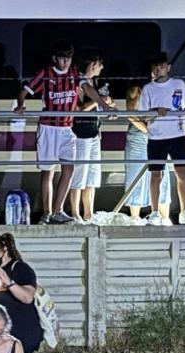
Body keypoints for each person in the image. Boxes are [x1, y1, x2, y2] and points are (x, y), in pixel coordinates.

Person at [15, 40, 113, 225]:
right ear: (55, 58)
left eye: (68, 58)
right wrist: (21, 105)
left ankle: (58, 210)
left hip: (67, 129)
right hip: (48, 128)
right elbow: (23, 91)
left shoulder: (75, 73)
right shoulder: (46, 74)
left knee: (69, 169)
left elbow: (88, 88)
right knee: (48, 172)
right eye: (62, 58)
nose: (66, 62)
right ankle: (47, 212)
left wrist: (104, 105)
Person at [139, 52, 185, 227]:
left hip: (177, 135)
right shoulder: (147, 89)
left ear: (168, 67)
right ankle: (154, 213)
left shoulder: (179, 84)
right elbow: (144, 116)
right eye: (156, 66)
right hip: (156, 137)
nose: (159, 69)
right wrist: (155, 112)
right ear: (152, 69)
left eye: (162, 65)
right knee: (156, 175)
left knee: (182, 172)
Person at [69, 50, 110, 225]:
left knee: (92, 176)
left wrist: (105, 104)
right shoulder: (78, 81)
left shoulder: (95, 82)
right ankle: (75, 214)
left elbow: (97, 106)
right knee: (79, 175)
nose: (102, 67)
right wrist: (100, 100)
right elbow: (79, 109)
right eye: (100, 64)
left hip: (93, 131)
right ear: (93, 64)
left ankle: (89, 214)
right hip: (80, 132)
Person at [123, 84, 154, 225]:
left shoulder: (161, 89)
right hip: (138, 135)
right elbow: (131, 114)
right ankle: (134, 217)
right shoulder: (136, 89)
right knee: (135, 174)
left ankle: (156, 214)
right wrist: (147, 129)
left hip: (152, 134)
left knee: (155, 175)